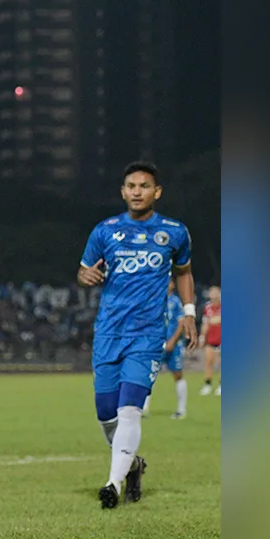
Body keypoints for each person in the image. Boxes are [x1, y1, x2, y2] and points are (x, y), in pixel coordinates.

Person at [77, 161, 197, 510]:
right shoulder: (105, 230)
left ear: (156, 192)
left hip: (147, 335)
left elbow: (185, 272)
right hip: (109, 332)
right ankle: (133, 465)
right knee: (106, 414)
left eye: (144, 186)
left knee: (130, 409)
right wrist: (85, 276)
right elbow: (85, 270)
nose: (137, 191)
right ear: (123, 191)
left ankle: (112, 484)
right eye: (131, 186)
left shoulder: (174, 232)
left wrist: (189, 312)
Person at [143, 278, 190, 419]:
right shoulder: (154, 300)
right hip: (156, 344)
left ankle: (181, 409)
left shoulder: (176, 301)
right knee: (148, 375)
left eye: (168, 282)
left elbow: (181, 323)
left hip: (172, 344)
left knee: (177, 374)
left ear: (172, 285)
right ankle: (144, 409)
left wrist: (172, 341)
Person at [198, 286, 221, 396]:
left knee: (221, 363)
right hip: (211, 338)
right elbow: (205, 323)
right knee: (208, 362)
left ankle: (221, 385)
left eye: (215, 292)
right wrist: (202, 336)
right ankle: (207, 384)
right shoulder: (207, 307)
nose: (213, 294)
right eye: (211, 292)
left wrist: (214, 320)